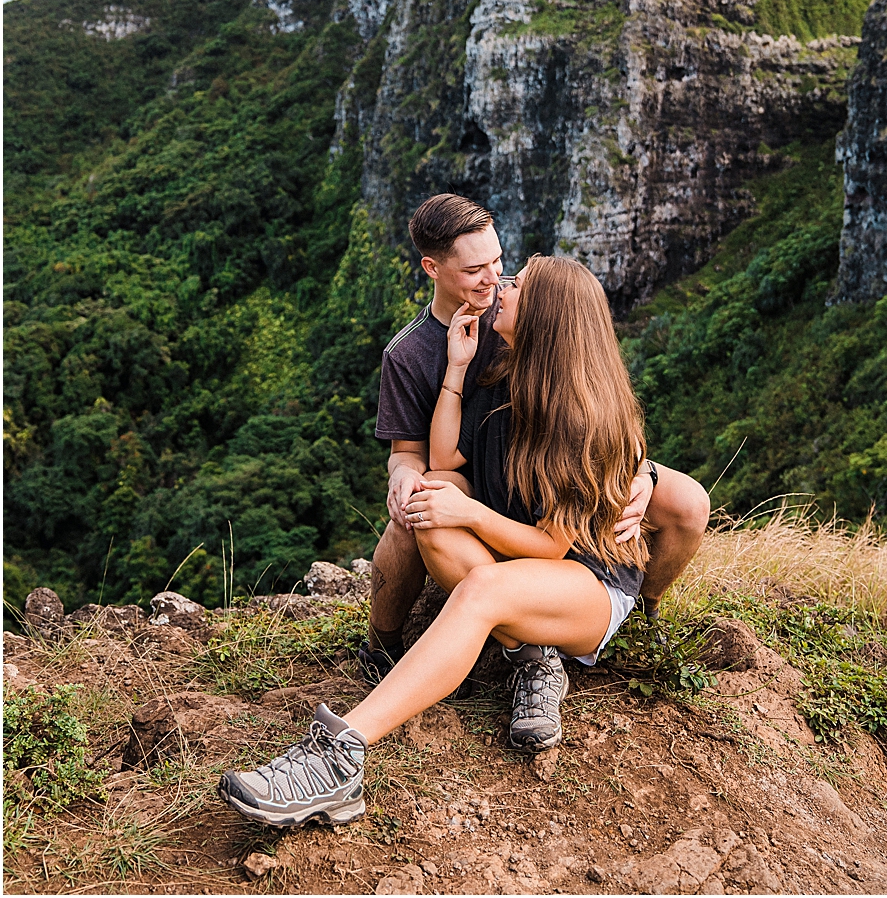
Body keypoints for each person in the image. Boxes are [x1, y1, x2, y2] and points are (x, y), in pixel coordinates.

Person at [219, 255, 663, 826]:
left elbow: (553, 548)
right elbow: (448, 457)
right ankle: (530, 653)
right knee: (433, 509)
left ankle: (340, 758)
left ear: (546, 318)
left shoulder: (581, 415)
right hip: (532, 567)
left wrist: (473, 511)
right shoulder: (506, 373)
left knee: (482, 587)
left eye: (517, 285)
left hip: (590, 581)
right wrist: (455, 370)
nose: (502, 287)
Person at [361, 196, 712, 734]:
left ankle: (632, 616)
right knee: (431, 497)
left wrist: (638, 470)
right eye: (476, 271)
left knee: (686, 501)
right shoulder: (449, 356)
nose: (495, 281)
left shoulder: (540, 354)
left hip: (569, 537)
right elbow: (432, 457)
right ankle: (435, 640)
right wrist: (449, 384)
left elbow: (600, 407)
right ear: (434, 269)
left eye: (502, 267)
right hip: (506, 492)